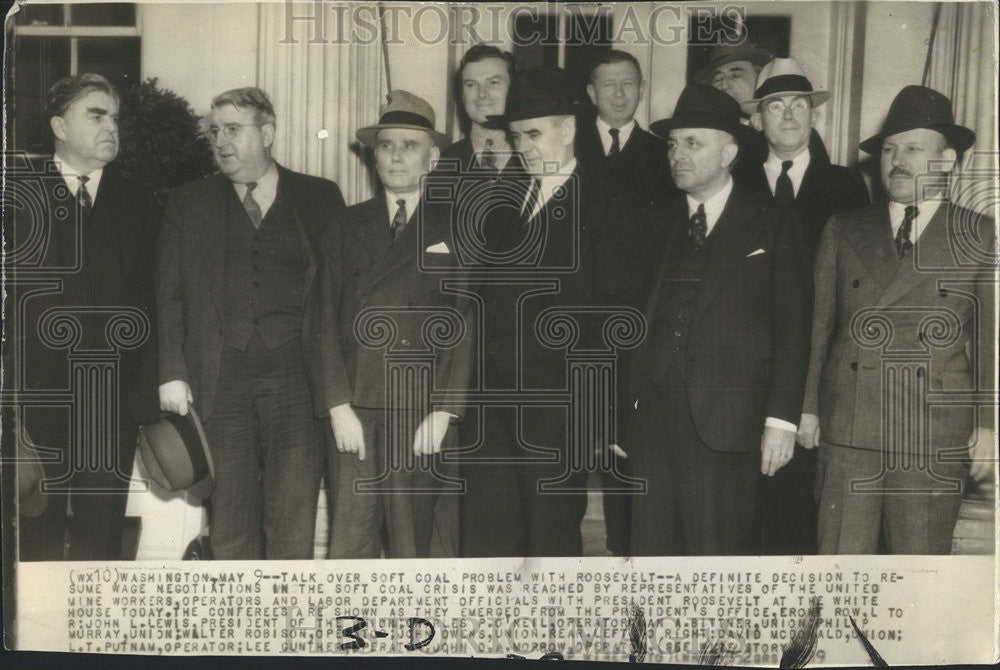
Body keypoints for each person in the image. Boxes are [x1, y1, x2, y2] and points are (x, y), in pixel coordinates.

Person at [799, 85, 996, 554]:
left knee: (918, 576)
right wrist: (807, 407)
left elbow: (992, 338)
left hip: (931, 431)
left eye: (912, 147)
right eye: (889, 148)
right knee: (840, 574)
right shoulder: (844, 228)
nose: (897, 159)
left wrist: (989, 422)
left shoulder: (978, 233)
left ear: (947, 160)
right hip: (849, 426)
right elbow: (818, 328)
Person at [621, 84, 811, 556]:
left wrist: (781, 420)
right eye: (672, 144)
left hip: (729, 426)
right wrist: (620, 418)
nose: (677, 155)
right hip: (651, 426)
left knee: (716, 559)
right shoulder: (653, 222)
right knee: (650, 557)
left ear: (729, 151)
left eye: (692, 143)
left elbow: (793, 328)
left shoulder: (772, 224)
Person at [156, 87, 346, 560]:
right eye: (215, 131)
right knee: (231, 523)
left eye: (233, 130)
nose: (221, 141)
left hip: (299, 386)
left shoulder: (320, 197)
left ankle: (286, 628)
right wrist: (172, 371)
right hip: (221, 384)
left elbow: (342, 297)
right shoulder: (188, 203)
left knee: (292, 521)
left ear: (268, 133)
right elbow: (169, 293)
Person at [462, 66, 640, 557]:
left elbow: (616, 324)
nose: (524, 147)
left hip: (558, 415)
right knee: (486, 542)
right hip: (492, 409)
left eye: (534, 134)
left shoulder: (609, 208)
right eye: (517, 136)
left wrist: (600, 421)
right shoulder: (504, 204)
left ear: (568, 129)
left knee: (549, 545)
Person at [308, 90, 473, 558]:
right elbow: (318, 319)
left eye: (410, 145)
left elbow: (466, 323)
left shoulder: (457, 227)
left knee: (412, 545)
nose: (396, 156)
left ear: (433, 157)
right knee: (350, 541)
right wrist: (336, 404)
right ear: (373, 154)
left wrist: (444, 410)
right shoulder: (343, 226)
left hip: (420, 411)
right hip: (355, 410)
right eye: (385, 145)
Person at [4, 73, 159, 560]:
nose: (111, 125)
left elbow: (153, 302)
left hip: (111, 401)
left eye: (114, 117)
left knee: (101, 531)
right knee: (34, 528)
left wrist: (143, 393)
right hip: (35, 399)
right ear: (59, 126)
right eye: (96, 115)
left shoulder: (141, 203)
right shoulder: (16, 198)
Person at [739, 57, 870, 555]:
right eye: (776, 105)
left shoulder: (845, 186)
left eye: (799, 104)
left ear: (814, 116)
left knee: (804, 509)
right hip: (750, 368)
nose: (789, 115)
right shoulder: (737, 181)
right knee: (747, 505)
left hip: (818, 368)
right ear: (756, 119)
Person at [574, 49, 673, 554]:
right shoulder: (565, 146)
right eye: (607, 85)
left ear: (640, 88)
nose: (618, 94)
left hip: (637, 324)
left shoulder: (664, 154)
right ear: (590, 93)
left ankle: (625, 551)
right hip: (572, 323)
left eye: (628, 84)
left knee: (628, 445)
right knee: (567, 449)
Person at [696, 44, 831, 179]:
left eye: (735, 75)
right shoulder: (705, 135)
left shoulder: (794, 134)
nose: (724, 85)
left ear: (759, 81)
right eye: (718, 79)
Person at [439, 44, 524, 179]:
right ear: (462, 95)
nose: (482, 94)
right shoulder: (444, 162)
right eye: (471, 85)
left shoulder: (532, 156)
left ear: (514, 89)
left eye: (493, 83)